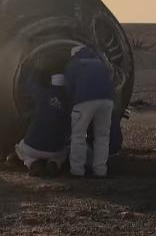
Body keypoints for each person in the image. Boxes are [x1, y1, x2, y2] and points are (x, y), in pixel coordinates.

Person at [64, 45, 114, 177]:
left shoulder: (74, 64)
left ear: (75, 54)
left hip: (84, 101)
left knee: (78, 135)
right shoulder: (102, 63)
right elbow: (112, 78)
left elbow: (68, 87)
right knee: (102, 136)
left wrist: (70, 105)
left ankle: (77, 170)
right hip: (107, 101)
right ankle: (100, 170)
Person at [14, 73, 69, 176]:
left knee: (20, 147)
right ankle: (54, 163)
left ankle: (33, 163)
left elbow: (29, 86)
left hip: (33, 147)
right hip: (55, 150)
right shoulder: (68, 99)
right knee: (65, 149)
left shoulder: (42, 92)